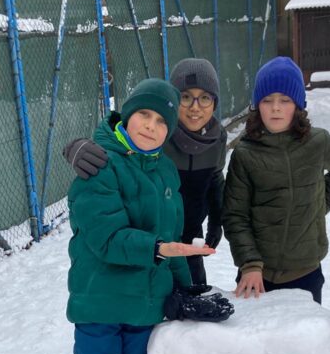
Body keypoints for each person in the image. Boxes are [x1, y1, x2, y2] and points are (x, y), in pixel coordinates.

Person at [61, 78, 232, 354]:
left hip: (143, 306)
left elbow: (173, 240)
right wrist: (157, 250)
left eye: (161, 121)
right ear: (126, 115)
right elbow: (106, 238)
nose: (151, 126)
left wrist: (185, 289)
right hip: (100, 304)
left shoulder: (165, 172)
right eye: (144, 115)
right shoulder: (99, 165)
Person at [63, 58, 226, 286]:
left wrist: (217, 221)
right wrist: (79, 147)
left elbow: (215, 179)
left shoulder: (217, 138)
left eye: (205, 98)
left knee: (193, 293)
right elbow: (120, 137)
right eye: (186, 97)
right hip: (148, 239)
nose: (195, 107)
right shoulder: (157, 136)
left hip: (189, 237)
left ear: (214, 103)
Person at [222, 56, 330, 305]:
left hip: (306, 273)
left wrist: (319, 205)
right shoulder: (245, 153)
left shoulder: (318, 143)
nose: (276, 107)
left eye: (285, 100)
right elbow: (234, 215)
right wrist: (250, 264)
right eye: (267, 100)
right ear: (257, 106)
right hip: (256, 276)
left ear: (298, 105)